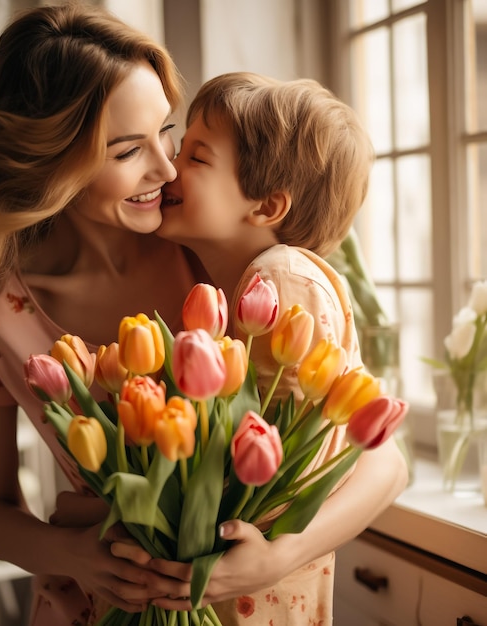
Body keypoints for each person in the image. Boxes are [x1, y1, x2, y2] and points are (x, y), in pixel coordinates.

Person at [0, 3, 203, 624]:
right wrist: (75, 554)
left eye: (167, 132)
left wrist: (261, 563)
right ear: (50, 164)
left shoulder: (212, 246)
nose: (168, 167)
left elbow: (379, 463)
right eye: (128, 151)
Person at [148, 72, 409, 624]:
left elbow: (272, 451)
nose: (170, 167)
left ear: (266, 207)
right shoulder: (258, 276)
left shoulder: (281, 278)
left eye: (197, 157)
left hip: (251, 567)